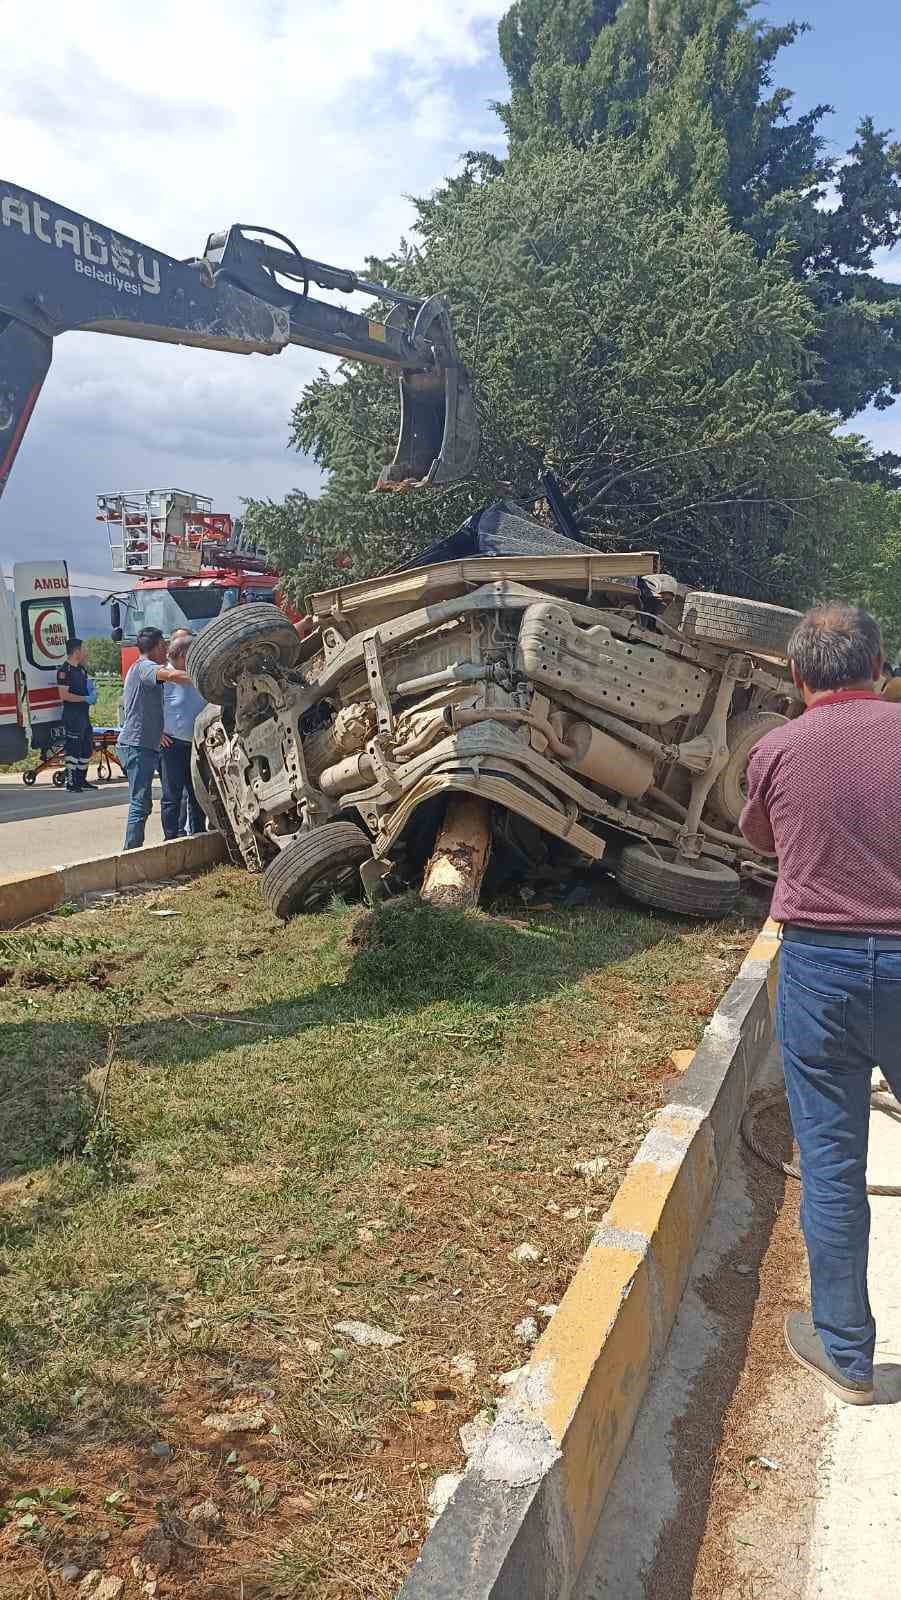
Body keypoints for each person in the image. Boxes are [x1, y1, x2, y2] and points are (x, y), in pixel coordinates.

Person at [740, 602, 901, 1407]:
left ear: (797, 676)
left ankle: (846, 1358)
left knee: (832, 1170)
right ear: (879, 666)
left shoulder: (775, 749)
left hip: (820, 971)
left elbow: (764, 842)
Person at [116, 627, 191, 851]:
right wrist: (199, 677)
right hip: (136, 746)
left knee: (143, 803)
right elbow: (171, 675)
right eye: (164, 646)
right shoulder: (145, 667)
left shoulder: (139, 668)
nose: (166, 650)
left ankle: (133, 851)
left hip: (142, 745)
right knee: (140, 803)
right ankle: (131, 853)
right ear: (158, 646)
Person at [160, 631, 207, 839]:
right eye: (190, 654)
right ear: (180, 654)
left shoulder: (195, 675)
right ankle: (171, 837)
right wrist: (156, 732)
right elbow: (146, 708)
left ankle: (197, 832)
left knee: (198, 793)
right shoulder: (163, 676)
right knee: (173, 795)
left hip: (197, 745)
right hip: (173, 746)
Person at [56, 637, 96, 793]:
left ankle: (81, 780)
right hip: (72, 715)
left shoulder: (81, 669)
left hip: (84, 715)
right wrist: (84, 698)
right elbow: (64, 695)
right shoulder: (64, 671)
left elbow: (86, 687)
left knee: (87, 748)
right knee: (73, 749)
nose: (85, 652)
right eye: (83, 649)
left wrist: (92, 692)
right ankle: (71, 783)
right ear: (76, 651)